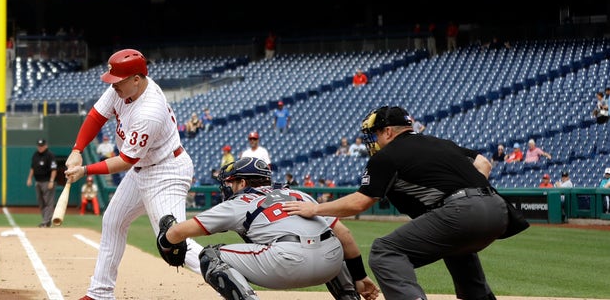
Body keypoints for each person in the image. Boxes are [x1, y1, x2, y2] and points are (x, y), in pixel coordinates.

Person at [283, 105, 514, 300]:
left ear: (388, 132)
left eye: (374, 134)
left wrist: (314, 208)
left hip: (462, 211)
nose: (372, 140)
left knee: (385, 252)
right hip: (498, 208)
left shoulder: (387, 155)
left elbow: (360, 202)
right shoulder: (440, 142)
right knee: (457, 249)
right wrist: (472, 194)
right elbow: (484, 162)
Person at [62, 48, 203, 300]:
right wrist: (77, 149)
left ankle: (231, 274)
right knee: (113, 221)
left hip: (165, 172)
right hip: (144, 170)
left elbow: (126, 160)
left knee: (174, 241)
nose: (113, 86)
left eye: (118, 81)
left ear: (136, 79)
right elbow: (96, 116)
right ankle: (100, 294)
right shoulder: (123, 85)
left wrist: (85, 170)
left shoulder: (149, 110)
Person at [156, 157, 378, 300]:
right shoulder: (300, 195)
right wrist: (359, 277)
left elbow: (179, 232)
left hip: (286, 262)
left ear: (242, 183)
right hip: (330, 265)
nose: (228, 187)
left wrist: (166, 241)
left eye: (231, 182)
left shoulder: (238, 203)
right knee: (327, 240)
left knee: (210, 255)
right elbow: (345, 236)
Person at [28, 138, 59, 227]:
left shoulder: (50, 155)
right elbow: (32, 168)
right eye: (39, 146)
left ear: (46, 146)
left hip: (47, 181)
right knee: (41, 202)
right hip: (38, 181)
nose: (40, 147)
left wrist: (51, 181)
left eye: (42, 146)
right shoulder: (35, 155)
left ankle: (45, 221)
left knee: (48, 202)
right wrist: (29, 178)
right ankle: (47, 221)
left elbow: (54, 169)